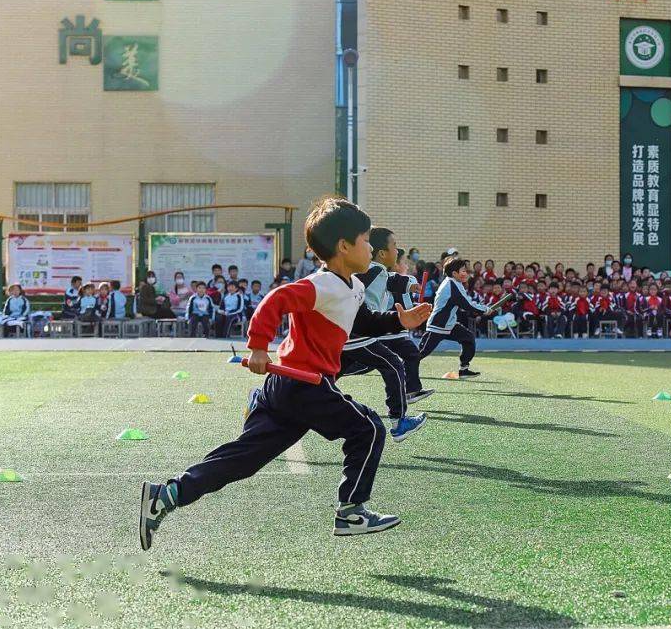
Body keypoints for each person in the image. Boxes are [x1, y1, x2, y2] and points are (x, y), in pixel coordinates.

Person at [139, 197, 431, 552]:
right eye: (366, 240)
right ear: (344, 246)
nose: (372, 247)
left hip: (288, 387)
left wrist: (401, 320)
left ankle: (167, 494)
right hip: (304, 383)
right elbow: (275, 301)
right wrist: (259, 346)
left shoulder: (352, 287)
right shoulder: (322, 285)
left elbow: (361, 322)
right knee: (369, 428)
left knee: (243, 459)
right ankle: (351, 511)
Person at [338, 227, 428, 442]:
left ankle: (278, 400)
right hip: (359, 331)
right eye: (394, 246)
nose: (397, 251)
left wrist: (409, 284)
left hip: (350, 332)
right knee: (393, 363)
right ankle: (399, 422)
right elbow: (372, 279)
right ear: (381, 253)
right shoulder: (373, 269)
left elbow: (389, 279)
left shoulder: (377, 270)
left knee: (329, 374)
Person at [419, 258, 495, 377]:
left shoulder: (454, 283)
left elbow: (467, 303)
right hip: (438, 325)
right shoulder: (451, 285)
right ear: (454, 273)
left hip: (448, 324)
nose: (466, 273)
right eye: (464, 271)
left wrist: (483, 309)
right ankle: (403, 367)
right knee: (422, 352)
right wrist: (485, 310)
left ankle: (464, 370)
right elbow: (467, 305)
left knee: (468, 338)